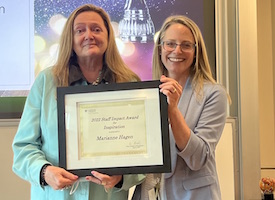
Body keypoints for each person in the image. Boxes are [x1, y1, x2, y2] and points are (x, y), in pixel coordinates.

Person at [12, 4, 145, 200]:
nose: (89, 35)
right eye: (80, 30)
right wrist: (45, 172)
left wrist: (122, 177)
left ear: (108, 36)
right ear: (70, 39)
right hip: (55, 195)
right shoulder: (46, 81)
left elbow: (144, 150)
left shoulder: (129, 83)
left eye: (96, 29)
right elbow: (23, 147)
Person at [132, 15, 229, 200]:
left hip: (193, 195)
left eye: (186, 45)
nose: (177, 50)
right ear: (160, 49)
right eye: (170, 44)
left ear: (196, 51)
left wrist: (173, 110)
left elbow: (198, 158)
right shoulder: (146, 94)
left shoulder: (214, 94)